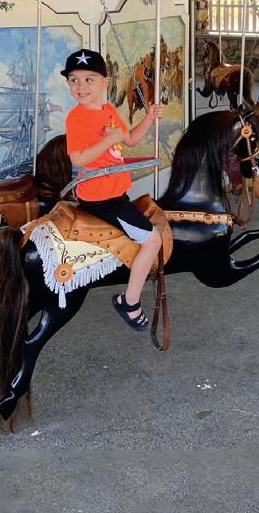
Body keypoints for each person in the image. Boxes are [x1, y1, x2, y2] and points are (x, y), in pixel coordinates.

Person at [61, 48, 164, 331]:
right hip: (101, 198)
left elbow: (129, 140)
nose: (81, 86)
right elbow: (78, 159)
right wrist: (109, 140)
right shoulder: (76, 117)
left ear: (104, 83)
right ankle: (129, 302)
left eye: (89, 79)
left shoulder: (108, 111)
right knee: (153, 241)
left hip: (116, 193)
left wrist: (149, 118)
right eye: (74, 80)